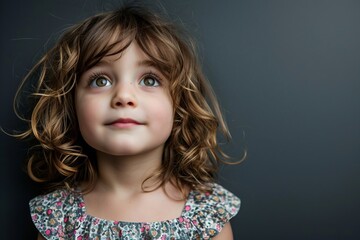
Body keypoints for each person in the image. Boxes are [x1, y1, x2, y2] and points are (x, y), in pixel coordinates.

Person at [15, 3, 241, 239]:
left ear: (179, 105)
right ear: (71, 104)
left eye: (150, 80)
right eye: (100, 81)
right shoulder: (58, 218)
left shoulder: (207, 216)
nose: (123, 96)